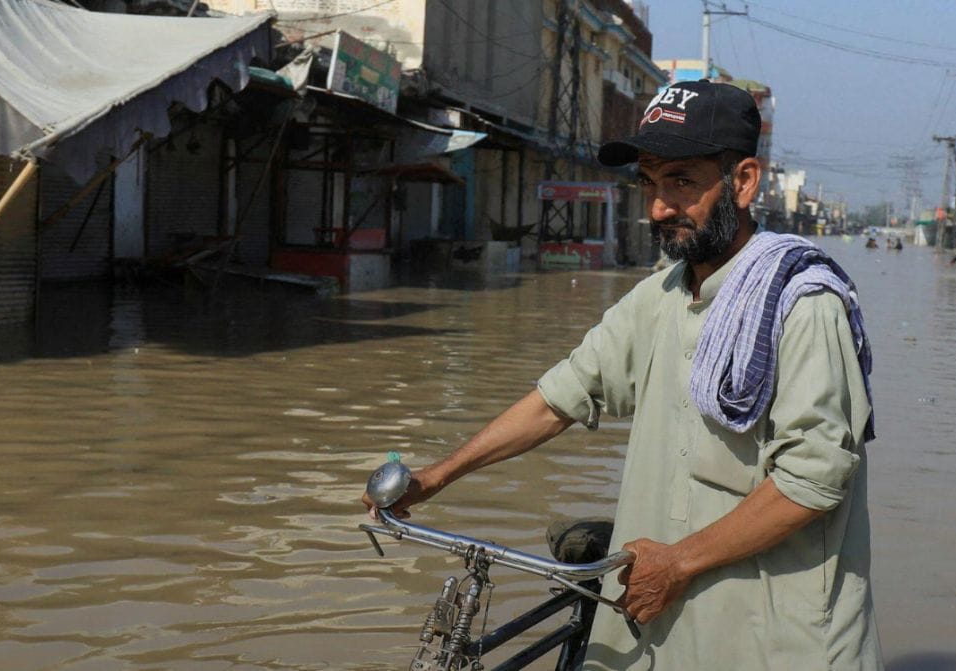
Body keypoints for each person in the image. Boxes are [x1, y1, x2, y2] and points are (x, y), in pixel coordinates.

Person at [366, 80, 881, 670]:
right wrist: (435, 478)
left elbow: (812, 483)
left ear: (742, 182)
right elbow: (561, 396)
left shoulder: (804, 305)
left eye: (682, 181)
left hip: (774, 641)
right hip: (658, 618)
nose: (659, 206)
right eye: (649, 182)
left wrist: (681, 561)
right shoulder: (658, 297)